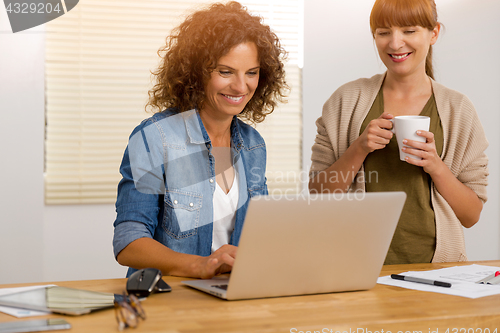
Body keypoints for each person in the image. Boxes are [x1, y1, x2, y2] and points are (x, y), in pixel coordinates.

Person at [113, 1, 288, 278]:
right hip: (172, 301)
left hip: (233, 296)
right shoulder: (155, 137)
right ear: (196, 72)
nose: (241, 87)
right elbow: (128, 242)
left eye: (251, 73)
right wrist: (199, 266)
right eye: (225, 71)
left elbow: (259, 234)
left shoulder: (253, 144)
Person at [309, 0, 488, 264]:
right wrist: (359, 148)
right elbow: (317, 195)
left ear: (434, 33)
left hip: (436, 270)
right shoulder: (345, 101)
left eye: (409, 30)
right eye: (383, 32)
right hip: (354, 265)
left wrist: (436, 167)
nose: (395, 43)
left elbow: (471, 216)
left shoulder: (458, 109)